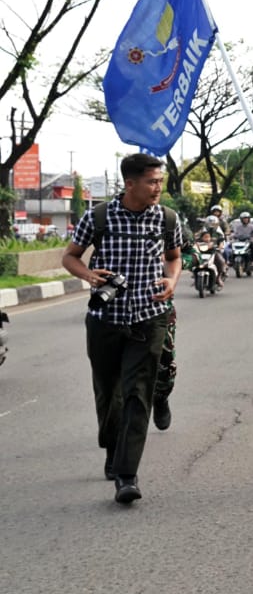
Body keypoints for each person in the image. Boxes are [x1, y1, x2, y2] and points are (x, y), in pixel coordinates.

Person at [61, 153, 183, 505]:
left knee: (137, 393)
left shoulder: (167, 218)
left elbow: (174, 257)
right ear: (130, 183)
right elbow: (70, 256)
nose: (158, 187)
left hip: (149, 317)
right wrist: (88, 275)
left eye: (160, 181)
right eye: (152, 181)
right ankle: (113, 451)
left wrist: (172, 280)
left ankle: (127, 474)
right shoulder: (98, 217)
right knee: (108, 393)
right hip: (105, 320)